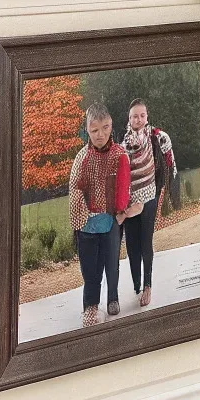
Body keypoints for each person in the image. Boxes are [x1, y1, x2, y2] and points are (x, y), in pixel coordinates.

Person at [68, 104, 131, 327]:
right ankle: (90, 306)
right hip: (87, 224)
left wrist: (122, 212)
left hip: (112, 220)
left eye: (105, 128)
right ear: (87, 129)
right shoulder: (82, 158)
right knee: (90, 270)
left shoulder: (119, 155)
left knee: (111, 263)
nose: (100, 135)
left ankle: (113, 298)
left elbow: (125, 186)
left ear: (111, 126)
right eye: (94, 130)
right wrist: (81, 220)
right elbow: (75, 190)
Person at [122, 98, 176, 308]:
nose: (138, 119)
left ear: (147, 117)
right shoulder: (123, 144)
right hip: (130, 201)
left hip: (150, 196)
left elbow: (169, 163)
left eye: (142, 115)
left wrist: (165, 189)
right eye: (134, 116)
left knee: (146, 242)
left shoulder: (157, 137)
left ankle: (148, 285)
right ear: (129, 119)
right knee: (131, 246)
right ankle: (136, 286)